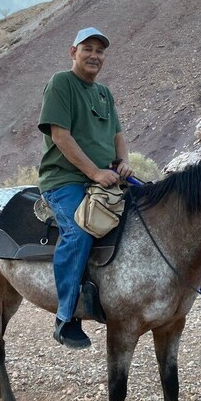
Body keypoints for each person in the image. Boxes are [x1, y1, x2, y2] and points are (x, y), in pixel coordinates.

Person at [38, 27, 133, 349]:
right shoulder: (61, 83)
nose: (94, 55)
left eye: (100, 51)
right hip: (65, 180)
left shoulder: (104, 92)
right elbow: (60, 136)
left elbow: (118, 134)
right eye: (87, 49)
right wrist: (94, 172)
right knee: (78, 232)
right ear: (73, 52)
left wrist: (123, 161)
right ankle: (66, 316)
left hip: (106, 177)